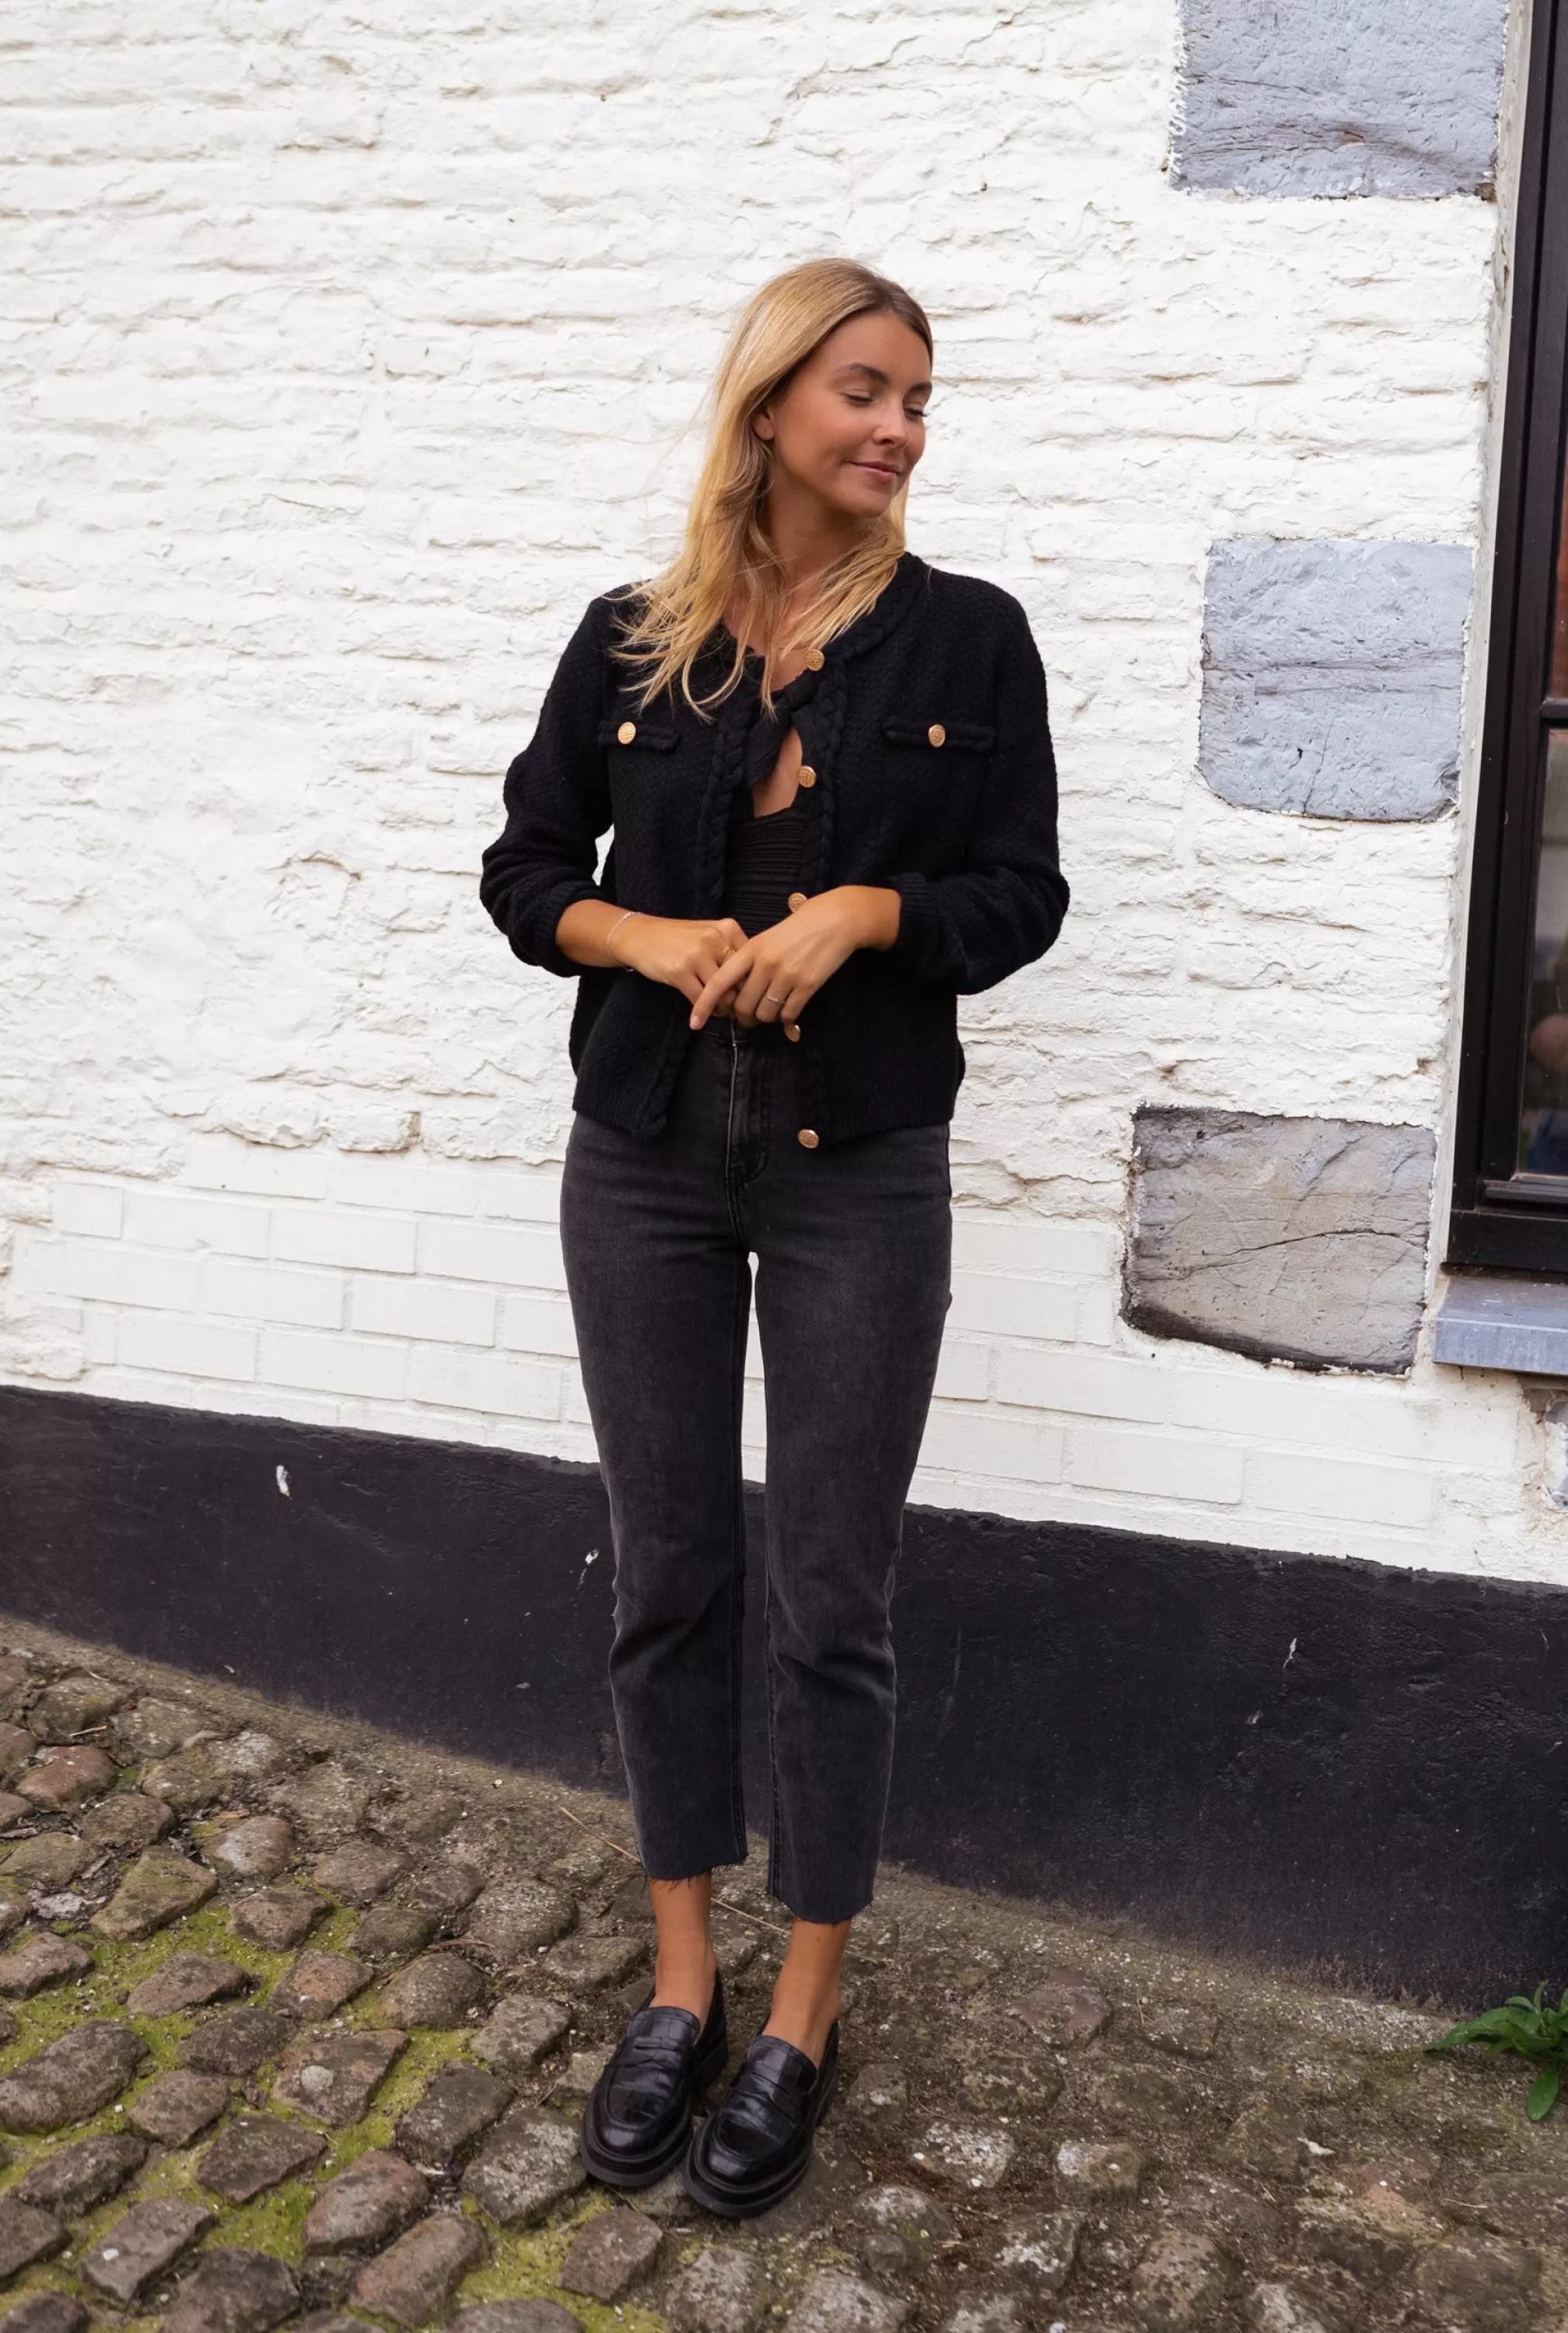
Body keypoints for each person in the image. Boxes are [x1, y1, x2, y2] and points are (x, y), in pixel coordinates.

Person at [479, 257, 1068, 2217]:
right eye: (866, 390)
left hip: (857, 1161)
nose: (900, 428)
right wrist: (646, 935)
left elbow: (1021, 894)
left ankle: (804, 2007)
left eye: (920, 399)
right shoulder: (632, 641)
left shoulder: (970, 639)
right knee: (666, 1571)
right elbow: (526, 869)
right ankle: (683, 1981)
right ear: (770, 405)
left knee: (833, 1597)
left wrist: (870, 915)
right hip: (645, 1146)